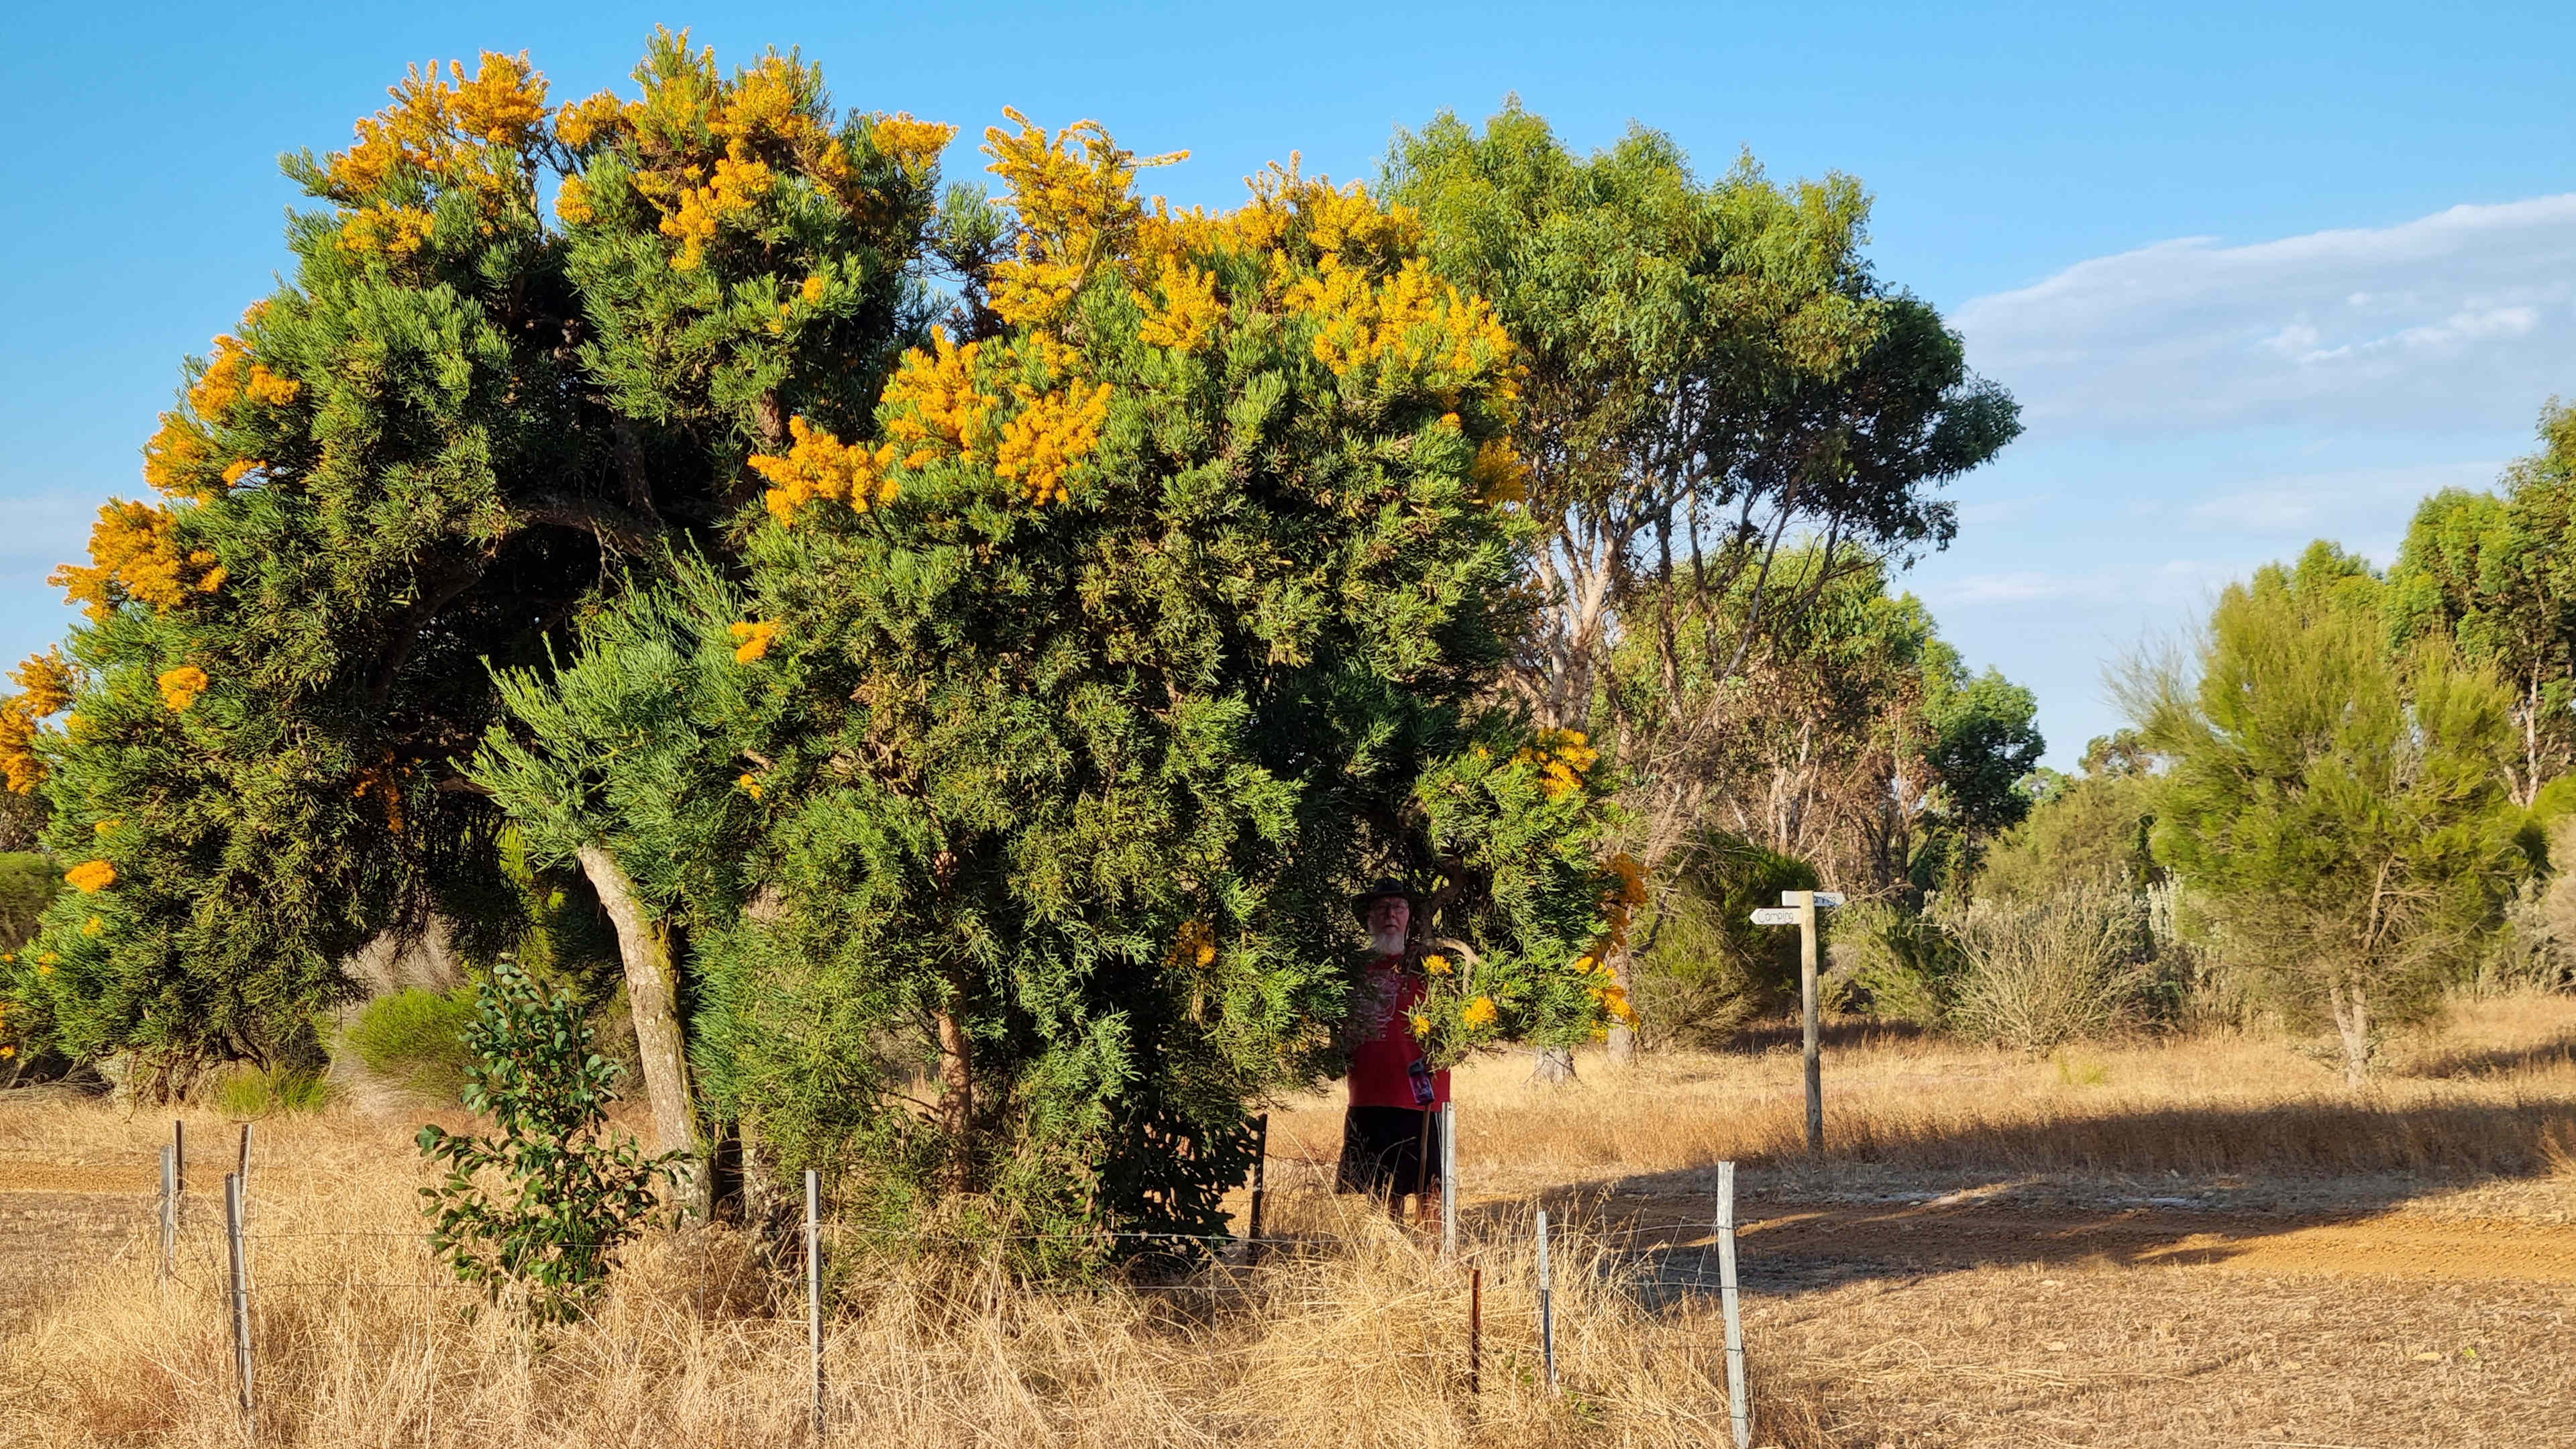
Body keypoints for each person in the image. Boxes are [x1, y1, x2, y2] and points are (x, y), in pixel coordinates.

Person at [1336, 878, 1447, 1220]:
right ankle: (1386, 1258)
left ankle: (1433, 1262)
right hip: (1369, 1096)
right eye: (1381, 908)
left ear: (1410, 916)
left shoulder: (1430, 966)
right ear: (1368, 919)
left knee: (1431, 1192)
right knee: (1380, 1193)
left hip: (1423, 1098)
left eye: (1398, 907)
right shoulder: (1351, 971)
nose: (1390, 915)